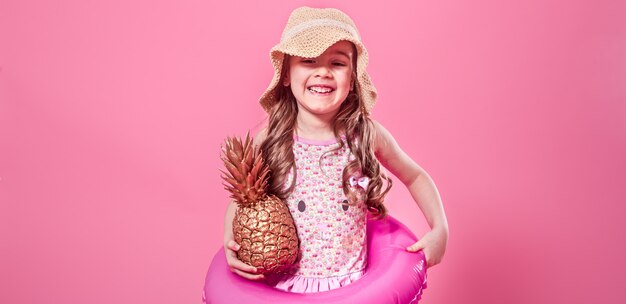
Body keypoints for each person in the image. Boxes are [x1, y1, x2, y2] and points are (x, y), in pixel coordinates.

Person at [222, 6, 449, 293]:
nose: (323, 72)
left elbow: (415, 176)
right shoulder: (272, 137)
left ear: (353, 78)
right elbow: (245, 199)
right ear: (287, 75)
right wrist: (231, 241)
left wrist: (440, 228)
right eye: (309, 60)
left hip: (351, 288)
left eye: (337, 63)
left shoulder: (366, 134)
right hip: (284, 288)